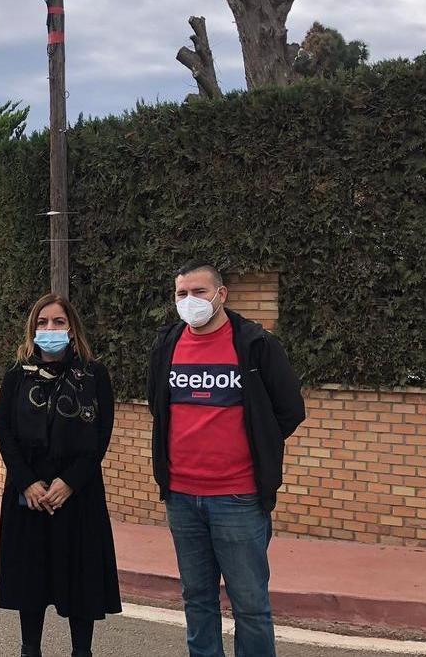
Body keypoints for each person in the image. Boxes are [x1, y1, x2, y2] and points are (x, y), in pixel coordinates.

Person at [147, 262, 306, 657]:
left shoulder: (255, 344)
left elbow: (289, 409)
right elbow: (158, 405)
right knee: (197, 599)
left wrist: (258, 445)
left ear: (221, 295)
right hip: (182, 498)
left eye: (199, 292)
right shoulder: (166, 344)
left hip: (238, 498)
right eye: (181, 294)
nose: (190, 301)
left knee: (250, 606)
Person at [0, 294, 121, 657]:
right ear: (32, 329)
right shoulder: (16, 376)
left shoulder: (94, 375)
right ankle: (29, 649)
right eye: (42, 322)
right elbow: (4, 430)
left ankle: (82, 651)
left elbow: (100, 435)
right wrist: (27, 481)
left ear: (72, 327)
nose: (50, 329)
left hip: (77, 493)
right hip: (28, 493)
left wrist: (70, 482)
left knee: (80, 580)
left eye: (58, 322)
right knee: (31, 580)